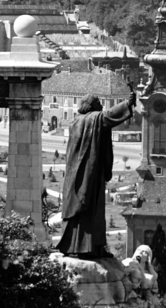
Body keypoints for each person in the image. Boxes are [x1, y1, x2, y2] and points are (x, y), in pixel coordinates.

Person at [56, 92, 137, 258]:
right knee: (90, 210)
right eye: (98, 103)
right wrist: (126, 103)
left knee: (92, 211)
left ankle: (93, 247)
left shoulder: (76, 122)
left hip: (84, 173)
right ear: (91, 106)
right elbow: (108, 116)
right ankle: (86, 248)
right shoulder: (91, 119)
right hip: (87, 174)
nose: (101, 106)